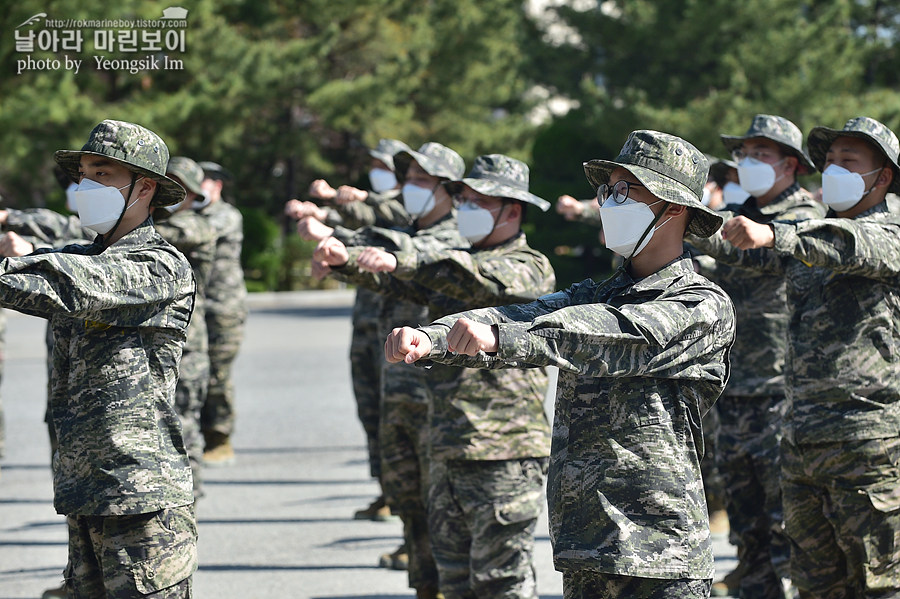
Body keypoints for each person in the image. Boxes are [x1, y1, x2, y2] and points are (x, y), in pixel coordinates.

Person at [386, 130, 735, 599]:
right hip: (586, 546)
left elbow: (607, 335)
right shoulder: (594, 292)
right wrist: (431, 338)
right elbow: (515, 313)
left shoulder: (701, 303)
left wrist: (502, 338)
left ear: (673, 207)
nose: (608, 202)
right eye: (606, 189)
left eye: (624, 190)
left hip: (658, 554)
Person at [316, 154, 555, 598]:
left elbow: (463, 276)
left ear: (513, 210)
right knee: (453, 582)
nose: (464, 208)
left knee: (502, 584)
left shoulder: (528, 265)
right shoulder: (455, 261)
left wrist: (395, 261)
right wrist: (344, 259)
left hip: (503, 452)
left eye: (477, 201)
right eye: (462, 199)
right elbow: (404, 283)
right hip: (448, 442)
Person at [701, 116, 900, 599]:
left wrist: (776, 235)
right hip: (801, 439)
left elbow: (848, 245)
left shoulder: (887, 233)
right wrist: (673, 226)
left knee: (879, 584)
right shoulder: (810, 237)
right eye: (829, 161)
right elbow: (741, 251)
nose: (833, 170)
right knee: (815, 585)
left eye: (848, 162)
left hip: (867, 443)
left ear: (883, 176)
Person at [0, 120, 197, 596]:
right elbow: (46, 265)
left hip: (141, 498)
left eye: (102, 174)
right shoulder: (82, 254)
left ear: (144, 187)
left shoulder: (160, 265)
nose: (85, 187)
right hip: (87, 491)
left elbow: (62, 281)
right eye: (83, 174)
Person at [313, 141, 467, 598]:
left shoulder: (457, 236)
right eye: (409, 178)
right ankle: (423, 582)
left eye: (422, 181)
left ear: (449, 190)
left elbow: (411, 255)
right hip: (397, 380)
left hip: (435, 388)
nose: (410, 188)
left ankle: (439, 582)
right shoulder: (412, 227)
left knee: (438, 496)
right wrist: (344, 255)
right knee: (406, 488)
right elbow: (384, 248)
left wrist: (359, 246)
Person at [689, 114, 826, 599]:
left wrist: (685, 224)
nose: (747, 162)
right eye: (742, 154)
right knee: (746, 533)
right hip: (734, 385)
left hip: (781, 391)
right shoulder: (738, 209)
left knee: (785, 526)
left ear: (791, 165)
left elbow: (758, 253)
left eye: (759, 154)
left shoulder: (805, 217)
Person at [286, 138, 411, 522]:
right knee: (371, 408)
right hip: (369, 320)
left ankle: (403, 500)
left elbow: (381, 229)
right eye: (374, 164)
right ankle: (386, 489)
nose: (378, 172)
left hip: (401, 325)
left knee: (400, 418)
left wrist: (334, 213)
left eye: (385, 166)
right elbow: (360, 230)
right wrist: (325, 217)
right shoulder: (375, 205)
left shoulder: (408, 207)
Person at [158, 156, 217, 499]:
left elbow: (163, 235)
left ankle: (188, 496)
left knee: (184, 424)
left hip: (187, 345)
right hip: (160, 343)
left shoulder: (197, 226)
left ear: (195, 196)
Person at [197, 161, 247, 466]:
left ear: (217, 186)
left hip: (223, 308)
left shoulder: (226, 215)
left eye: (204, 182)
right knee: (194, 373)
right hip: (197, 306)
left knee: (217, 374)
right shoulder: (190, 216)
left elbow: (199, 233)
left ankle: (219, 437)